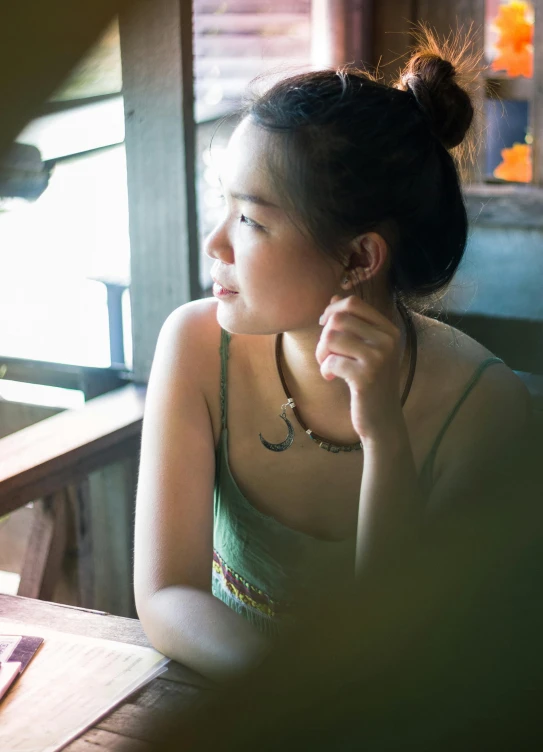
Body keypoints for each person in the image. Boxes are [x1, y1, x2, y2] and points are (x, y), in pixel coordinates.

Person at [133, 30, 530, 681]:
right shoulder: (197, 346)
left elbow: (395, 642)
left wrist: (382, 432)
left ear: (357, 258)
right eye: (222, 206)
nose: (214, 244)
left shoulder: (481, 407)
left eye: (250, 222)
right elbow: (167, 597)